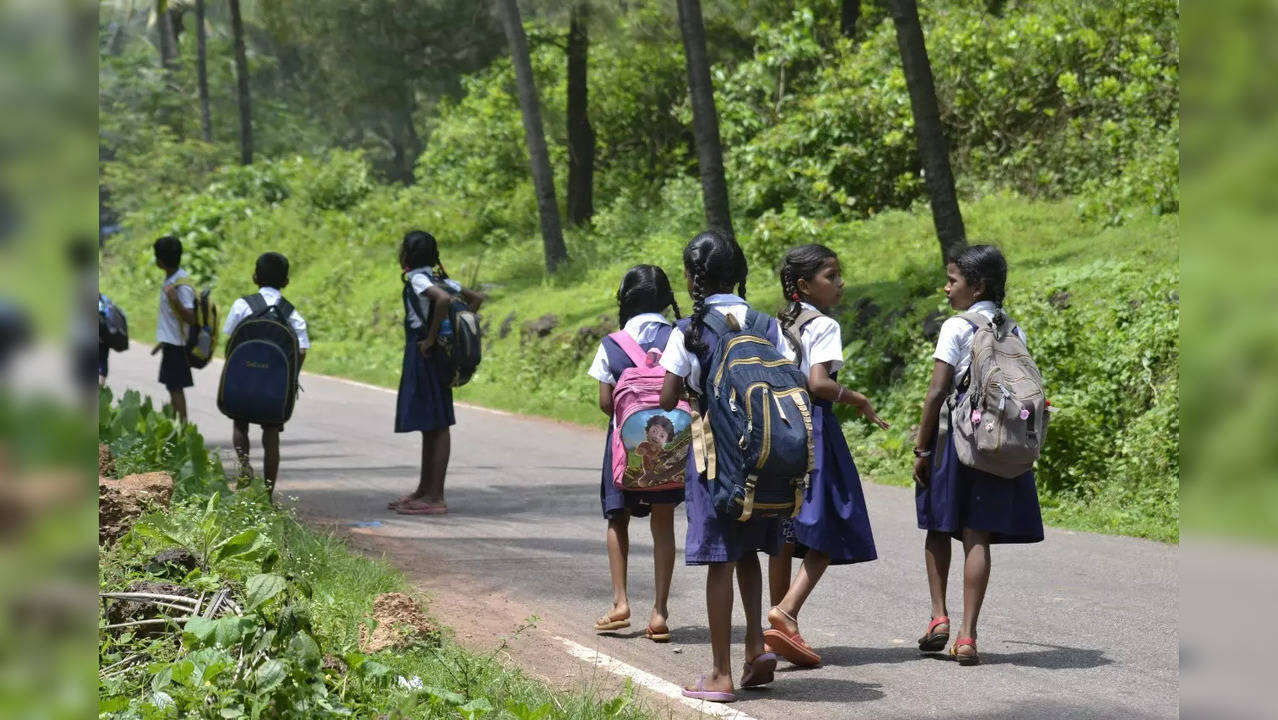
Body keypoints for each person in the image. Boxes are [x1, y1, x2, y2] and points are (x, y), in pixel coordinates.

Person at [659, 229, 789, 702]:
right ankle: (756, 648)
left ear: (692, 277)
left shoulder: (689, 330)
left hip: (716, 459)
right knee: (751, 552)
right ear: (740, 274)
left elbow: (668, 396)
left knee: (720, 560)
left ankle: (719, 673)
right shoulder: (765, 323)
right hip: (766, 457)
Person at [913, 244, 1044, 666]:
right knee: (977, 535)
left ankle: (938, 618)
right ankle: (967, 636)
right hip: (996, 441)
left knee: (938, 526)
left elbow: (936, 392)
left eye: (953, 280)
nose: (947, 287)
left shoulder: (956, 326)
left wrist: (921, 446)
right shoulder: (1013, 329)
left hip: (956, 440)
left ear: (977, 285)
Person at [764, 244, 888, 668]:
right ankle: (786, 611)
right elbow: (818, 383)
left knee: (784, 528)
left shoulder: (774, 325)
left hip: (778, 430)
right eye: (831, 276)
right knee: (833, 522)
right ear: (804, 285)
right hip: (816, 430)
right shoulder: (825, 325)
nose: (840, 283)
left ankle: (772, 629)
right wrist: (858, 398)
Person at [588, 264, 685, 642]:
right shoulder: (678, 335)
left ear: (625, 299)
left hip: (623, 449)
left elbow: (605, 403)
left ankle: (620, 604)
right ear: (665, 299)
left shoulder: (613, 343)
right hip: (671, 449)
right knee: (663, 524)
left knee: (618, 520)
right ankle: (659, 613)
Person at [388, 230, 484, 516]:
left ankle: (435, 496)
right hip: (439, 356)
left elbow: (442, 301)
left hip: (425, 354)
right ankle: (424, 490)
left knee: (438, 424)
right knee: (432, 424)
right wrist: (452, 334)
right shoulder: (440, 277)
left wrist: (431, 339)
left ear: (407, 254)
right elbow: (475, 299)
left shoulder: (420, 278)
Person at [220, 252, 310, 498]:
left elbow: (231, 338)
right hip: (275, 387)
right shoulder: (292, 313)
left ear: (255, 277)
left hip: (243, 380)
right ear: (286, 281)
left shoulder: (243, 305)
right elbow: (301, 350)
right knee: (271, 434)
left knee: (240, 423)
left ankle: (242, 473)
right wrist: (289, 378)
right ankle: (268, 494)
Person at [150, 236, 195, 423]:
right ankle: (178, 426)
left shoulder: (181, 285)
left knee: (176, 388)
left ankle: (182, 430)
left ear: (160, 260)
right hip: (170, 343)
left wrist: (175, 299)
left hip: (178, 346)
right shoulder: (171, 280)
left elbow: (190, 318)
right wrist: (162, 342)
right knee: (172, 387)